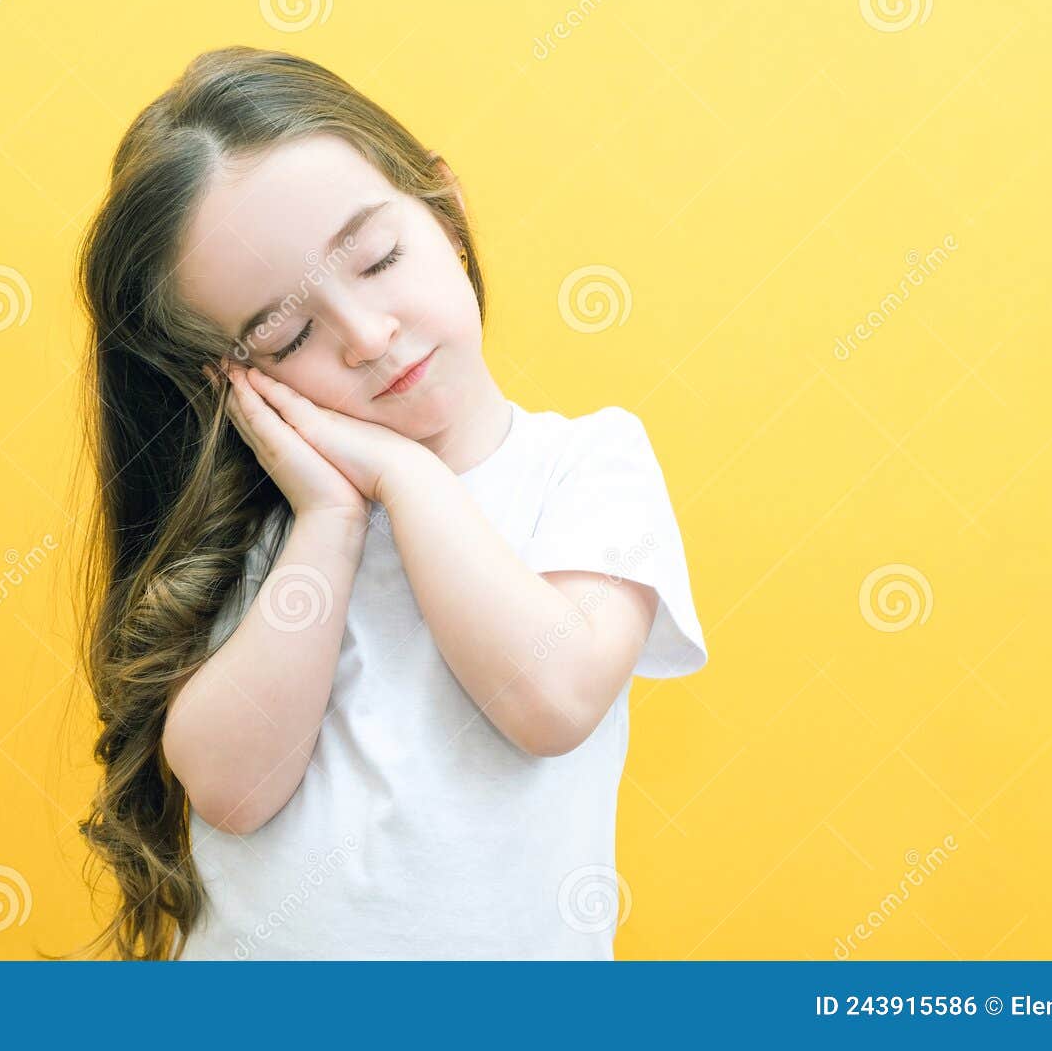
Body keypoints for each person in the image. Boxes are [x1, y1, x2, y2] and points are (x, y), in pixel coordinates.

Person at [70, 46, 707, 960]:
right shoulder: (260, 529)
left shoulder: (588, 465)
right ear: (233, 381)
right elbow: (231, 789)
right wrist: (329, 521)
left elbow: (554, 694)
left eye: (377, 260)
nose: (369, 337)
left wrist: (407, 480)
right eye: (289, 335)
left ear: (443, 210)